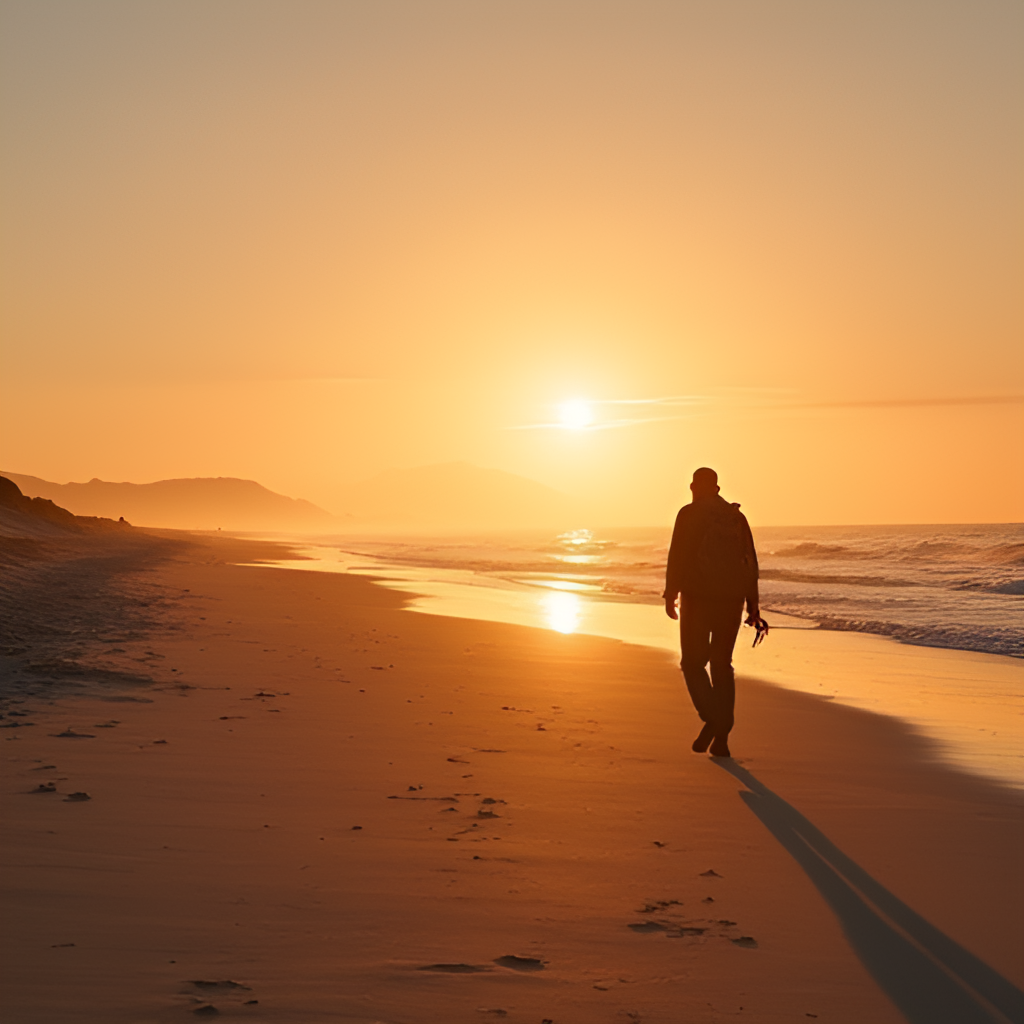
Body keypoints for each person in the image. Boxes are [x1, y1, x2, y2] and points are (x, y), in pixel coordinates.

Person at [663, 467, 766, 758]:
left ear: (695, 487)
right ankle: (722, 738)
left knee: (693, 664)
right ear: (717, 489)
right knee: (722, 666)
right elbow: (750, 563)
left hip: (697, 599)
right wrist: (753, 605)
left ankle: (713, 718)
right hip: (731, 601)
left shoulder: (688, 514)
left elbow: (677, 555)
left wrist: (671, 594)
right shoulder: (736, 517)